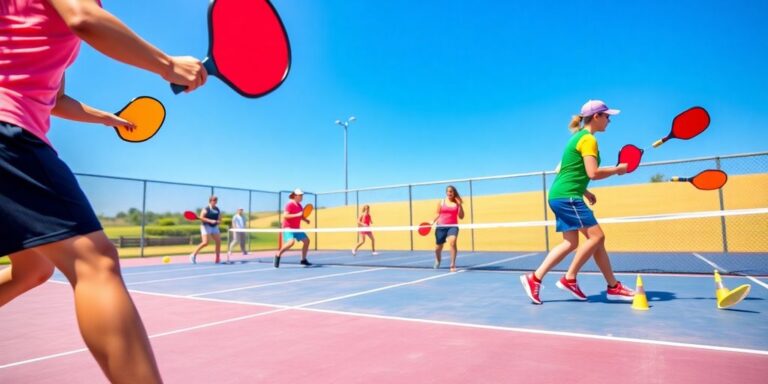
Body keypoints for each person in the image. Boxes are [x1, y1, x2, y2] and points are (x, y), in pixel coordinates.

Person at [0, 0, 206, 382]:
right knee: (97, 262)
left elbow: (55, 98)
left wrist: (109, 119)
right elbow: (85, 19)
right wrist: (168, 65)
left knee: (32, 269)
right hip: (7, 132)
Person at [520, 100, 635, 305]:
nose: (609, 120)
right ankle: (569, 278)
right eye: (607, 116)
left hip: (561, 195)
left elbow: (568, 171)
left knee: (576, 242)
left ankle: (535, 278)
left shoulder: (577, 138)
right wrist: (617, 170)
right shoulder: (588, 140)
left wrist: (585, 191)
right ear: (597, 117)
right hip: (567, 196)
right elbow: (593, 172)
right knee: (597, 236)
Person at [274, 188, 311, 268]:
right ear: (295, 196)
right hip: (288, 228)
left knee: (307, 241)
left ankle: (303, 260)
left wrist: (305, 220)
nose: (301, 197)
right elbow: (285, 216)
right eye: (300, 195)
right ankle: (278, 254)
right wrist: (298, 214)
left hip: (297, 228)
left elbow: (301, 216)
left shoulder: (300, 206)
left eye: (302, 195)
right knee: (291, 243)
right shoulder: (289, 204)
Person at [430, 185, 464, 272]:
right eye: (448, 191)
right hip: (441, 226)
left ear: (454, 193)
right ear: (446, 193)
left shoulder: (457, 203)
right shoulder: (441, 202)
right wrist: (432, 221)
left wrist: (460, 205)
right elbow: (437, 213)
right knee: (438, 248)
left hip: (453, 226)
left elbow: (461, 216)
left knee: (452, 242)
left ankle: (452, 264)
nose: (449, 193)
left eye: (451, 191)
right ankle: (438, 259)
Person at [190, 196, 222, 264]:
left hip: (214, 227)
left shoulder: (217, 209)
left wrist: (218, 221)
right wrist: (210, 221)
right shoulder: (206, 209)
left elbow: (219, 218)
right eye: (214, 200)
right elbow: (201, 217)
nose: (215, 201)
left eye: (216, 200)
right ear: (210, 201)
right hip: (205, 226)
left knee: (218, 241)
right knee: (205, 243)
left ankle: (217, 257)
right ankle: (193, 255)